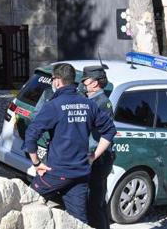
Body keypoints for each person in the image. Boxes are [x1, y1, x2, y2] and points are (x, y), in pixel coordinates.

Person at [24, 63, 116, 224]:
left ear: (58, 81)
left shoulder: (54, 105)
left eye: (53, 79)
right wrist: (93, 156)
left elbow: (31, 134)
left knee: (27, 202)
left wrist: (36, 162)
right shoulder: (89, 104)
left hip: (56, 171)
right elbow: (110, 131)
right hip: (80, 173)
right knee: (78, 222)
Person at [82, 65, 114, 229]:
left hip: (98, 159)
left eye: (85, 80)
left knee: (94, 204)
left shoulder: (102, 103)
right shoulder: (91, 101)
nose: (83, 84)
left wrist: (92, 156)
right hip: (94, 159)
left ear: (95, 83)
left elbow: (103, 134)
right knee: (95, 202)